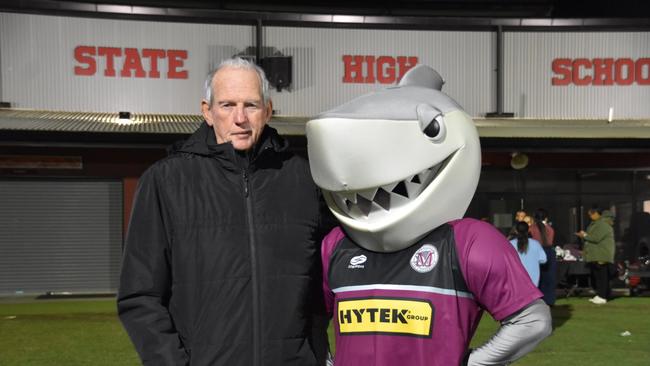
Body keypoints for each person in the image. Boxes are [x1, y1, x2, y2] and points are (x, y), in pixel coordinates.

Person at [307, 65, 551, 366]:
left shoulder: (469, 242)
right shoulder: (336, 245)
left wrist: (473, 363)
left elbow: (531, 321)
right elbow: (312, 320)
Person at [117, 57, 330, 366]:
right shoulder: (165, 182)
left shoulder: (305, 181)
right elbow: (139, 296)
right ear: (207, 111)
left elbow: (327, 284)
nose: (240, 118)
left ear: (268, 111)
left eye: (251, 105)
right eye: (227, 105)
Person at [576, 206, 615, 305]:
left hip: (601, 254)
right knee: (598, 276)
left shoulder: (602, 224)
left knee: (602, 276)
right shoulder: (598, 224)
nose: (590, 216)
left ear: (597, 214)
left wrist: (584, 235)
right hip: (597, 254)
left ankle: (602, 296)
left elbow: (596, 238)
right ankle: (600, 295)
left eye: (591, 214)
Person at [530, 208, 557, 305]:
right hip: (549, 251)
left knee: (537, 276)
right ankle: (549, 299)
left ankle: (537, 298)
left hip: (536, 251)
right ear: (546, 217)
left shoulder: (532, 228)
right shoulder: (550, 228)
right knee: (549, 277)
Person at [510, 221, 548, 286]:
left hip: (515, 281)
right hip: (533, 281)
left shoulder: (510, 244)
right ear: (528, 230)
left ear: (516, 231)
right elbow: (543, 260)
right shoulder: (535, 244)